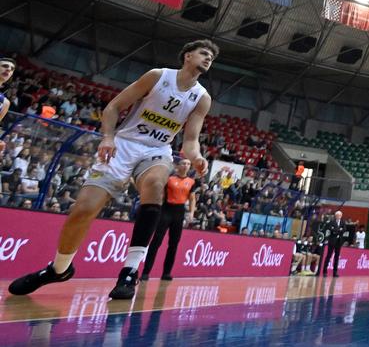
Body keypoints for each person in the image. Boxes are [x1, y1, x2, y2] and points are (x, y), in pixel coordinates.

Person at [8, 40, 215, 300]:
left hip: (156, 149)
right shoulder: (158, 76)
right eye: (204, 53)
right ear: (187, 56)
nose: (208, 59)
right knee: (83, 209)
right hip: (122, 144)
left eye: (211, 57)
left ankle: (129, 271)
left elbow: (190, 139)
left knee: (154, 185)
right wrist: (107, 137)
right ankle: (58, 269)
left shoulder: (202, 97)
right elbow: (113, 107)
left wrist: (196, 157)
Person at [141, 158, 198, 281]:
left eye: (188, 164)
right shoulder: (170, 178)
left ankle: (166, 272)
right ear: (178, 166)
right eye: (184, 163)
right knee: (156, 241)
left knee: (174, 244)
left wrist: (191, 213)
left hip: (179, 212)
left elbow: (192, 198)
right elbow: (161, 193)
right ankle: (146, 272)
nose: (186, 166)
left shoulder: (191, 181)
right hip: (166, 210)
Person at [320, 210, 349, 277]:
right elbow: (331, 229)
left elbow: (344, 229)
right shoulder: (332, 222)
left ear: (341, 216)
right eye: (337, 215)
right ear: (335, 216)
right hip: (332, 241)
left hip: (339, 242)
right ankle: (325, 271)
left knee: (336, 257)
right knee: (328, 256)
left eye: (339, 215)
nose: (338, 216)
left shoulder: (342, 222)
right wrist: (339, 230)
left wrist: (336, 230)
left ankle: (335, 272)